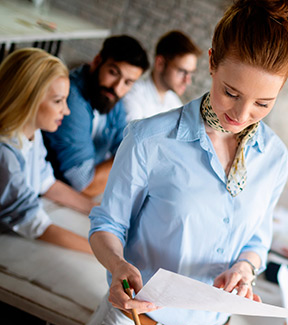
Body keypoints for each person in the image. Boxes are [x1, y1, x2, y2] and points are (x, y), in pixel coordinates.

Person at [73, 0, 288, 325]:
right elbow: (107, 225)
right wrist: (118, 264)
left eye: (263, 104)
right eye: (231, 93)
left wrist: (244, 270)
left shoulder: (275, 158)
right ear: (211, 62)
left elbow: (257, 241)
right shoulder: (150, 138)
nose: (242, 114)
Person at [0, 48, 96, 254]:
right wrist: (109, 255)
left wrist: (101, 212)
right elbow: (35, 224)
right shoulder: (5, 153)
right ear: (28, 98)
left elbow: (47, 183)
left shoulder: (32, 133)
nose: (67, 110)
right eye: (58, 101)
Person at [43, 35, 149, 197]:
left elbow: (124, 145)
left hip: (87, 191)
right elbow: (85, 184)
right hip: (55, 194)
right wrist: (137, 153)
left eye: (128, 82)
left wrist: (134, 153)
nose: (117, 87)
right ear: (97, 61)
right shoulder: (70, 100)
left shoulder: (111, 97)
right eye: (113, 73)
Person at [122, 30, 202, 122]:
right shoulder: (133, 95)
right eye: (182, 71)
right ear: (160, 63)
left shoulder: (174, 102)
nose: (188, 81)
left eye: (191, 73)